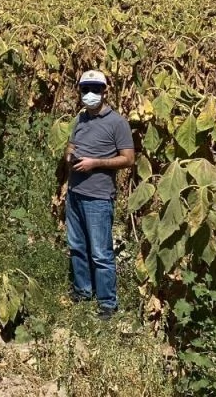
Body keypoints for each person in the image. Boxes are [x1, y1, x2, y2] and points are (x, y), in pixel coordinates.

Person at [65, 70, 135, 320]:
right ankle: (83, 291)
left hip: (98, 197)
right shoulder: (81, 119)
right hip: (74, 193)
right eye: (85, 89)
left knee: (101, 253)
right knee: (77, 247)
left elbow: (128, 159)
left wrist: (95, 163)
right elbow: (71, 146)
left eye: (95, 89)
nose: (90, 94)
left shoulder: (118, 123)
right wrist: (70, 157)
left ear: (105, 91)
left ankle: (107, 303)